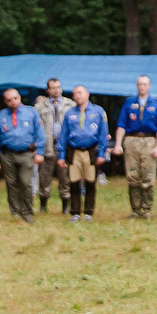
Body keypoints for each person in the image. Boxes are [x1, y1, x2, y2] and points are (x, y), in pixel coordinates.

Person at [0, 87, 44, 225]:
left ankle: (28, 212)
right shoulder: (1, 116)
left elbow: (40, 133)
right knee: (12, 184)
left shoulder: (31, 113)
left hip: (26, 153)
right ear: (5, 101)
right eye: (9, 100)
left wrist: (40, 152)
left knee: (26, 183)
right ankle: (15, 211)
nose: (13, 102)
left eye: (15, 98)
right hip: (7, 154)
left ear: (20, 98)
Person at [115, 76, 157, 219]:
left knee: (148, 175)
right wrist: (118, 144)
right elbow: (121, 124)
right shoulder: (129, 103)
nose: (142, 87)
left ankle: (147, 208)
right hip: (131, 140)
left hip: (149, 140)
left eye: (144, 84)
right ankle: (136, 209)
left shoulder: (156, 104)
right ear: (136, 86)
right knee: (133, 176)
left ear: (149, 86)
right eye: (139, 84)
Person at [59, 85, 108, 221]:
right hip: (74, 150)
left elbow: (103, 133)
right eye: (75, 94)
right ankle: (75, 212)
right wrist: (61, 155)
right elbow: (63, 135)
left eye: (80, 93)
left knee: (90, 181)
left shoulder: (98, 111)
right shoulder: (69, 113)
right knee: (74, 181)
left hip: (91, 150)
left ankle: (88, 212)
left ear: (87, 94)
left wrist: (101, 153)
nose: (77, 96)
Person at [34, 77, 72, 215]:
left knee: (65, 176)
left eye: (58, 87)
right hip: (47, 146)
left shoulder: (70, 105)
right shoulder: (40, 106)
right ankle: (43, 205)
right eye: (53, 88)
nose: (56, 90)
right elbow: (36, 128)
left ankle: (65, 206)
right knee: (44, 176)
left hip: (64, 146)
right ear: (48, 90)